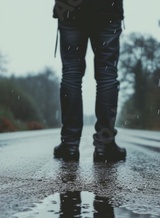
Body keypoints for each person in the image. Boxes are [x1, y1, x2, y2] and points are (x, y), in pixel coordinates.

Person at [52, 0, 127, 162]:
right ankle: (104, 145)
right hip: (108, 7)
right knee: (107, 75)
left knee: (71, 73)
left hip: (70, 7)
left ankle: (70, 144)